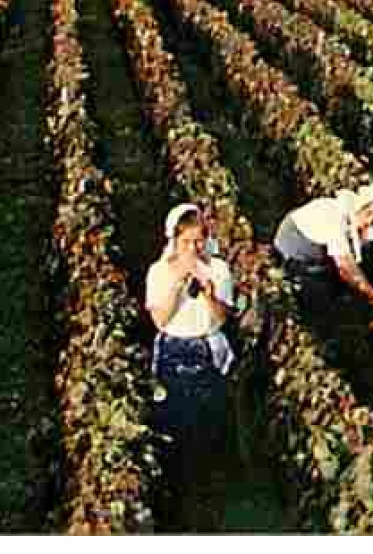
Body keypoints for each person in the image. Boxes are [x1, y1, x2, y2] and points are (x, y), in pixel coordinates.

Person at [145, 203, 237, 523]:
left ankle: (207, 494)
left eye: (199, 241)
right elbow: (159, 319)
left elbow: (223, 318)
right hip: (173, 351)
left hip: (207, 351)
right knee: (172, 425)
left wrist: (209, 294)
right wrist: (179, 283)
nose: (193, 248)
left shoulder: (219, 269)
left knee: (207, 425)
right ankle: (177, 495)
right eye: (186, 242)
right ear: (174, 240)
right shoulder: (159, 272)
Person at [272, 183, 373, 343]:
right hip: (293, 247)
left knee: (343, 287)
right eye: (369, 213)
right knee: (322, 301)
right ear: (361, 205)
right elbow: (345, 266)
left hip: (316, 257)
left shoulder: (354, 229)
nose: (369, 221)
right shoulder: (336, 215)